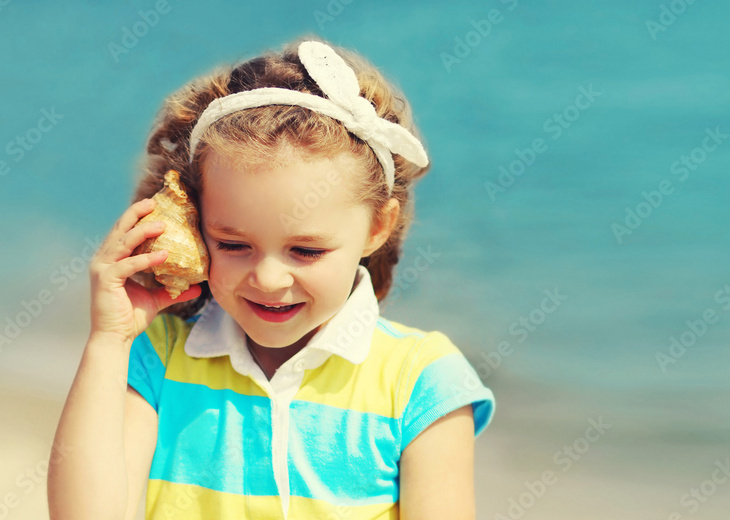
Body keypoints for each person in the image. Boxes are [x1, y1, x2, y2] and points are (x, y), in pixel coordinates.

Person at [48, 35, 495, 520]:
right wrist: (109, 339)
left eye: (306, 250)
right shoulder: (159, 358)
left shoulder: (422, 380)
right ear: (196, 226)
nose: (267, 278)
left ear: (377, 227)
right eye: (234, 245)